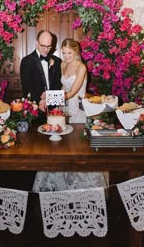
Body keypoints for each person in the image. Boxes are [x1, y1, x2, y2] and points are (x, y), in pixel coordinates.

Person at [32, 38, 108, 192]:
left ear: (76, 52)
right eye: (64, 53)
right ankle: (61, 185)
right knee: (61, 147)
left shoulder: (81, 68)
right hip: (63, 109)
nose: (66, 56)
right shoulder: (63, 64)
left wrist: (50, 97)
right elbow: (63, 86)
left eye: (69, 53)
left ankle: (81, 188)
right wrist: (50, 98)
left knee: (77, 149)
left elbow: (73, 92)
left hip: (78, 111)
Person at [20, 30, 62, 114]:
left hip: (54, 109)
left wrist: (49, 98)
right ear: (36, 43)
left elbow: (58, 84)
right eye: (43, 46)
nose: (46, 50)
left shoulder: (57, 61)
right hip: (34, 109)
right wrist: (40, 101)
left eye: (49, 46)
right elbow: (26, 87)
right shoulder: (26, 61)